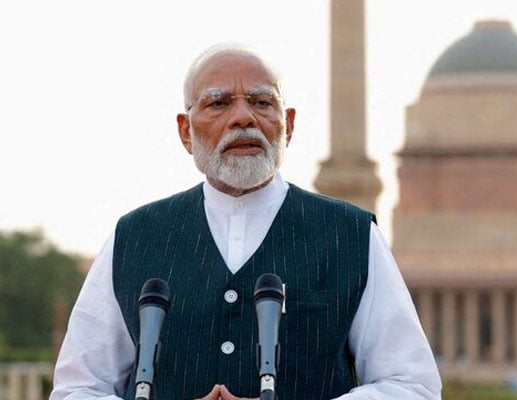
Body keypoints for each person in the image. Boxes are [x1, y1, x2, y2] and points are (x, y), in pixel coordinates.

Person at [50, 44, 442, 400]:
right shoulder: (135, 237)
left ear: (288, 123)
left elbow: (411, 384)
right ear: (186, 131)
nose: (243, 118)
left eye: (261, 102)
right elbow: (78, 387)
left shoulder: (350, 235)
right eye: (219, 104)